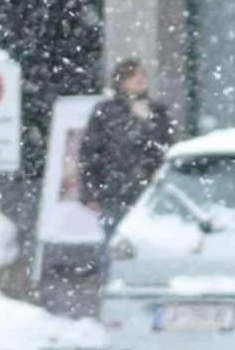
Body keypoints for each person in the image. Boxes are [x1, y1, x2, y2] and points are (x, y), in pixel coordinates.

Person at [77, 58, 181, 277]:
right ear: (122, 82)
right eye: (137, 76)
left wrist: (150, 123)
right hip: (115, 192)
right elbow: (91, 153)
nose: (143, 80)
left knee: (151, 250)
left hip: (148, 195)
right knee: (115, 249)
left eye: (144, 76)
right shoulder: (106, 112)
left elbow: (166, 150)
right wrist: (91, 192)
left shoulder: (157, 111)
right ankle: (115, 287)